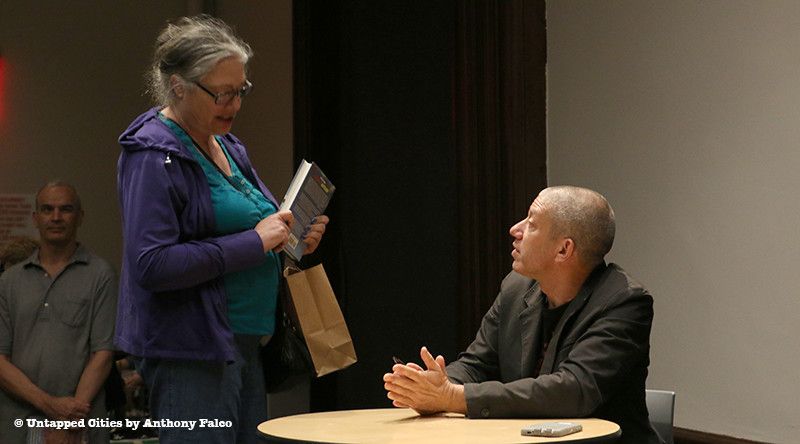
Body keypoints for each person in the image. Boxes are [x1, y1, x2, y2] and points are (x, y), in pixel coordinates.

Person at [115, 15, 328, 444]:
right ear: (179, 86)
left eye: (241, 91)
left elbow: (259, 234)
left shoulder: (227, 144)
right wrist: (254, 242)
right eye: (222, 93)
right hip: (190, 349)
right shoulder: (152, 154)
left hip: (243, 343)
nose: (234, 105)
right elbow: (152, 264)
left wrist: (293, 240)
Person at [384, 186, 662, 444]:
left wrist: (452, 397)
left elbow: (573, 390)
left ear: (564, 249)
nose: (514, 229)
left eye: (531, 224)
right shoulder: (516, 288)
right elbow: (477, 365)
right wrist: (437, 385)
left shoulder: (624, 301)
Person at [0, 182, 117, 443]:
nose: (56, 217)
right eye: (47, 209)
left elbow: (103, 356)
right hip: (17, 425)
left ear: (80, 216)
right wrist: (50, 405)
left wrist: (68, 419)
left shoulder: (101, 275)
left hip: (79, 423)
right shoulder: (8, 281)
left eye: (65, 209)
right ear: (35, 218)